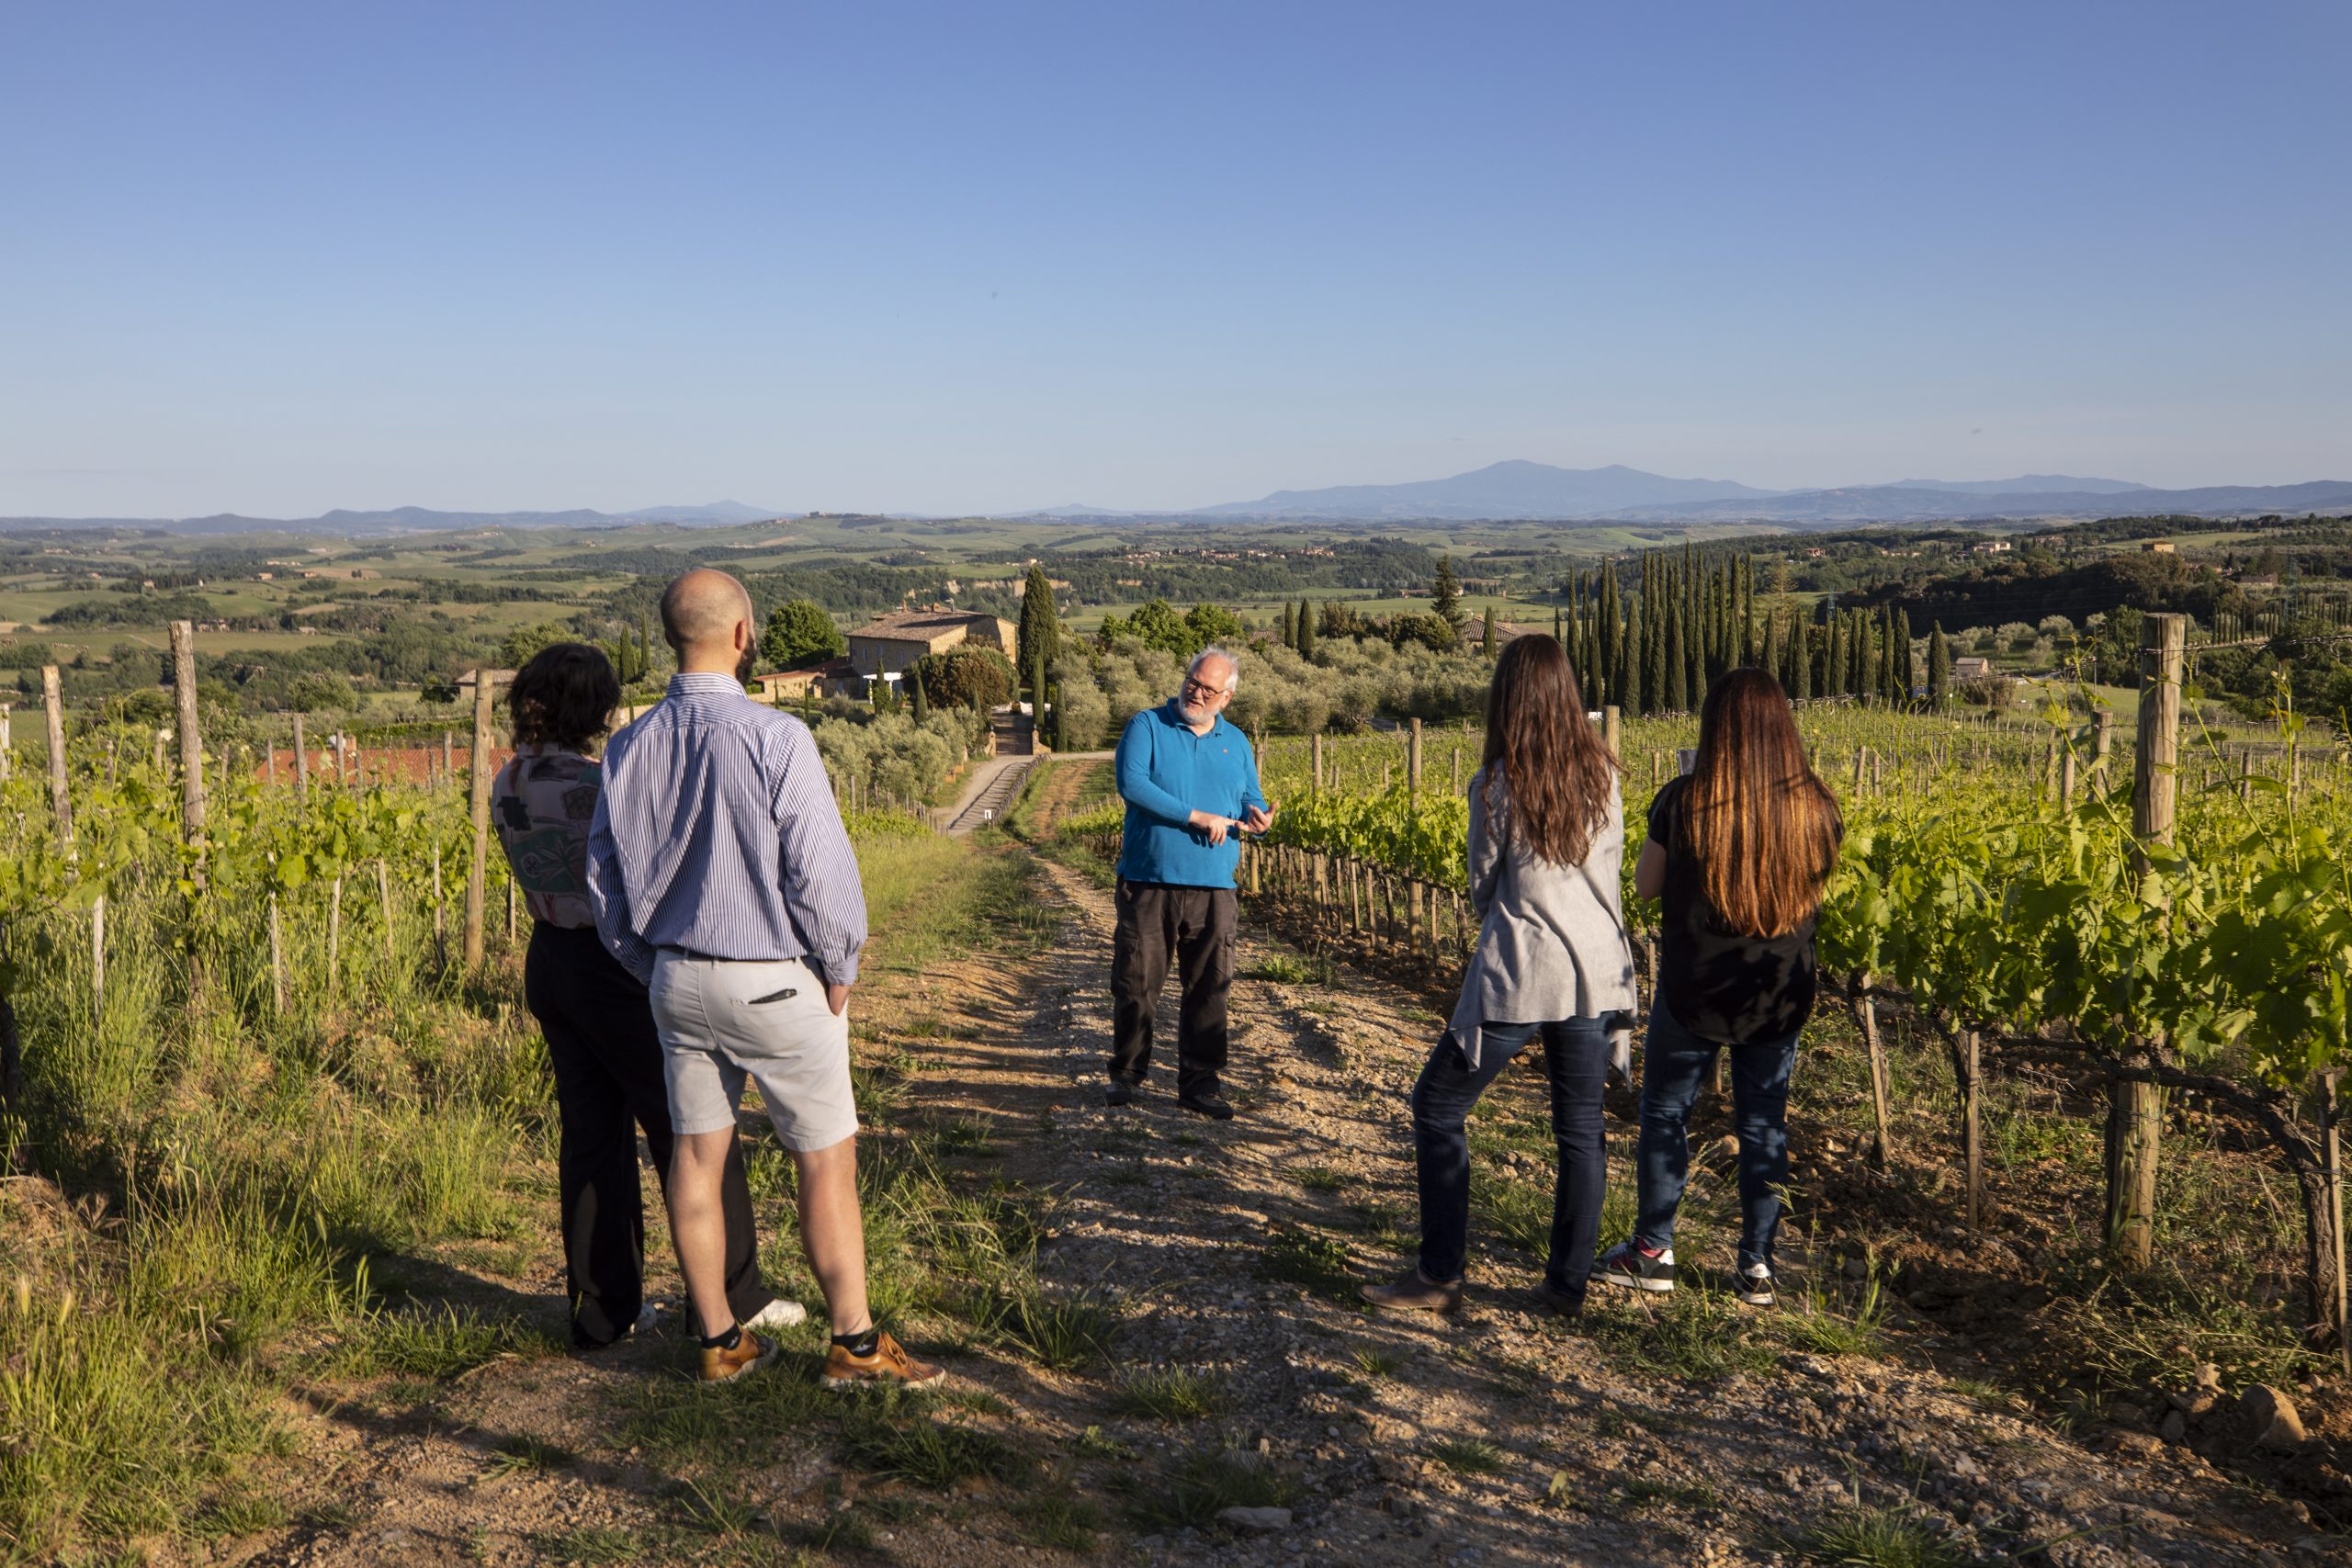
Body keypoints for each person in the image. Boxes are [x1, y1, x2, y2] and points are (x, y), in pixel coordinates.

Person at [586, 570, 942, 1388]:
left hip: (675, 981)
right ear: (743, 634)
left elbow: (601, 883)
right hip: (776, 982)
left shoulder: (627, 746)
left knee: (695, 1159)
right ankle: (853, 1345)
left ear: (675, 636)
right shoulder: (777, 737)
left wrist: (653, 965)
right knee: (824, 1162)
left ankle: (718, 1340)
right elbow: (820, 874)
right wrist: (840, 962)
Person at [491, 643, 801, 1350]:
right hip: (612, 965)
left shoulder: (505, 780)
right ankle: (731, 1298)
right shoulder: (601, 782)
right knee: (695, 1128)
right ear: (592, 707)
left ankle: (604, 1311)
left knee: (591, 1136)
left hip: (550, 963)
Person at [1363, 635, 1635, 1317]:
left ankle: (1439, 1274)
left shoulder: (1498, 783)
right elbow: (1611, 878)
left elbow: (1483, 886)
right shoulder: (1606, 776)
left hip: (1525, 967)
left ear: (1508, 699)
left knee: (1438, 1105)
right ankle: (1565, 1286)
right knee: (1580, 1130)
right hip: (1598, 972)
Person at [1599, 667, 1842, 1307]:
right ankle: (1756, 1268)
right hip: (1778, 992)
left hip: (1694, 990)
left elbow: (1647, 885)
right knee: (1765, 1126)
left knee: (1666, 1113)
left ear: (1715, 730)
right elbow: (1815, 892)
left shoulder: (1683, 801)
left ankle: (1652, 1249)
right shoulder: (1818, 805)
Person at [1106, 646, 1274, 1120]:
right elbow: (1132, 783)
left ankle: (1200, 1085)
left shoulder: (1236, 742)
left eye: (1207, 689)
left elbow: (1249, 798)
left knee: (1210, 988)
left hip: (1215, 884)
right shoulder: (1148, 725)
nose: (1195, 693)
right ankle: (1126, 1075)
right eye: (1192, 682)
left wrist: (1257, 818)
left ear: (1227, 697)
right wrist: (1195, 816)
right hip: (1149, 878)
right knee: (1137, 982)